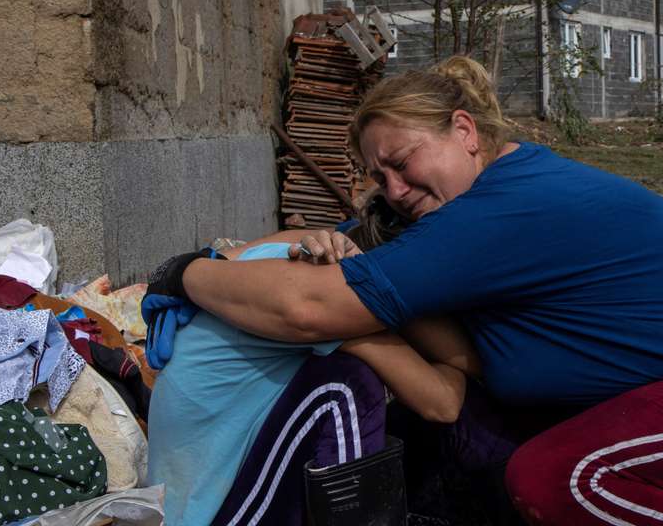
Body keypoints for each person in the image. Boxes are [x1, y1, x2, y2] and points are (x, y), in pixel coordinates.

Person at [151, 56, 663, 526]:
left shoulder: (502, 214)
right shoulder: (479, 199)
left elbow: (306, 307)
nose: (395, 190)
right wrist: (313, 242)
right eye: (379, 178)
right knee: (454, 454)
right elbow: (344, 244)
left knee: (559, 479)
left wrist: (183, 272)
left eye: (402, 162)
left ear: (464, 132)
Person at [145, 196, 478, 526]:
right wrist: (457, 348)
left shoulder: (292, 256)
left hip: (201, 493)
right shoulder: (324, 295)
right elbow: (442, 402)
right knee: (347, 386)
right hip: (207, 515)